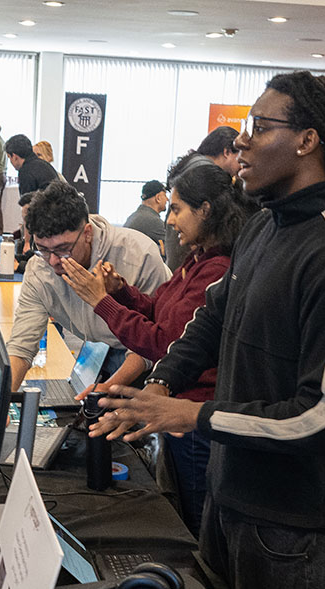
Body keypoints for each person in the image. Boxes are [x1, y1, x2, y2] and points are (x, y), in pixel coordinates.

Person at [91, 73, 325, 589]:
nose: (242, 144)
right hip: (231, 500)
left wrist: (192, 413)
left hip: (294, 528)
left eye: (260, 127)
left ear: (308, 140)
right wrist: (161, 383)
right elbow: (210, 318)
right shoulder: (262, 228)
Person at [62, 160, 255, 535]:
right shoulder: (196, 263)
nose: (169, 219)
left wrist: (102, 302)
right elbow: (161, 312)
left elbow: (164, 344)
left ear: (206, 211)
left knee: (197, 527)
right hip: (177, 415)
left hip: (194, 422)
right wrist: (123, 293)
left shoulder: (216, 271)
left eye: (177, 209)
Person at [5, 180, 170, 391]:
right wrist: (1, 402)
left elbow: (153, 345)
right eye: (43, 249)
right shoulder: (39, 269)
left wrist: (107, 388)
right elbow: (21, 345)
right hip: (98, 350)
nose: (54, 261)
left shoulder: (139, 255)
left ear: (88, 233)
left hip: (151, 357)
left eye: (63, 249)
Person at [123, 179, 167, 246]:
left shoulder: (134, 216)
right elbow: (171, 249)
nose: (167, 199)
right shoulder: (153, 221)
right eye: (165, 195)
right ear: (158, 198)